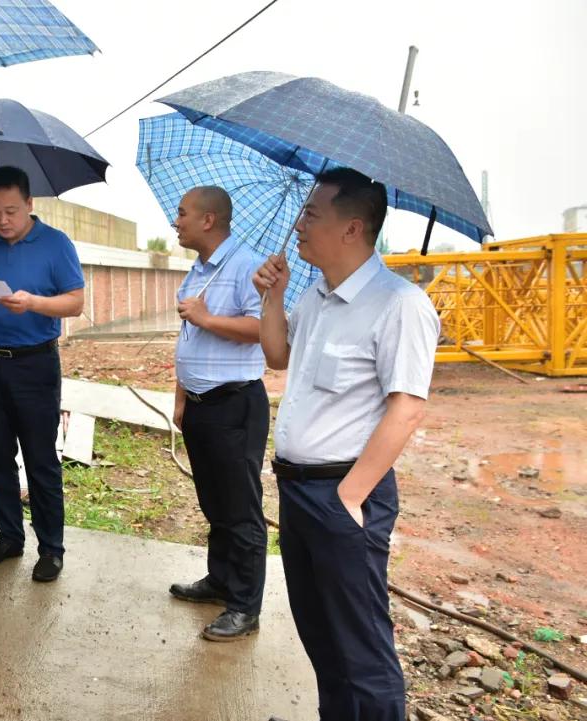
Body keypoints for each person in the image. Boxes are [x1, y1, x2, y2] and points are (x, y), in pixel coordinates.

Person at [253, 167, 440, 721]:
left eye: (312, 213)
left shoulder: (398, 303)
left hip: (344, 495)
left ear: (352, 228)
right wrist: (273, 298)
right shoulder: (316, 294)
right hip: (299, 491)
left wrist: (351, 499)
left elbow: (407, 407)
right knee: (322, 641)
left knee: (362, 652)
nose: (299, 223)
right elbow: (278, 357)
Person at [0, 165, 84, 583]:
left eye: (11, 211)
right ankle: (9, 536)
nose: (2, 220)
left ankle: (51, 548)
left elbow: (74, 302)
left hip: (36, 363)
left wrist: (34, 302)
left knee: (40, 458)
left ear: (30, 204)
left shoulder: (56, 245)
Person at [167, 186, 270, 642]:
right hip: (202, 405)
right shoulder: (200, 270)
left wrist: (207, 318)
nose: (176, 220)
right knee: (214, 502)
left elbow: (264, 331)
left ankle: (245, 606)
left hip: (235, 404)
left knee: (241, 510)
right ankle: (220, 581)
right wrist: (182, 398)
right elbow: (190, 341)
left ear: (208, 220)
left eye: (183, 213)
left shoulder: (248, 266)